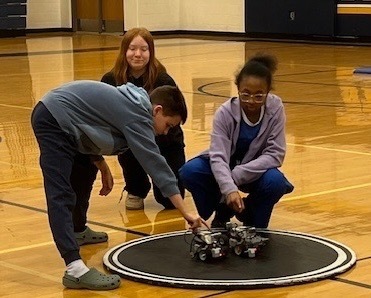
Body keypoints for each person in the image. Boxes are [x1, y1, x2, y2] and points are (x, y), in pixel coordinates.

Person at [31, 80, 207, 290]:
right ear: (157, 110)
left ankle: (77, 229)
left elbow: (89, 119)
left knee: (85, 173)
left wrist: (101, 165)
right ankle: (75, 269)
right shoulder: (139, 115)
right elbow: (156, 166)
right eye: (168, 125)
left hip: (65, 120)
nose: (166, 132)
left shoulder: (136, 105)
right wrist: (186, 212)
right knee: (60, 193)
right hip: (53, 120)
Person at [179, 53, 294, 229]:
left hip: (254, 171)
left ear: (268, 92)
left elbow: (275, 155)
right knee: (190, 171)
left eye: (259, 96)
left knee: (275, 182)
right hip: (223, 170)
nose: (251, 101)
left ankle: (249, 212)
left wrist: (236, 175)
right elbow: (218, 157)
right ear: (237, 88)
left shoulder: (276, 108)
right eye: (245, 94)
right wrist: (229, 188)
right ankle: (221, 208)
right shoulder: (224, 113)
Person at [101, 27, 185, 210]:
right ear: (124, 51)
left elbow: (176, 116)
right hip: (131, 143)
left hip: (166, 141)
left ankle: (167, 183)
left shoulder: (163, 80)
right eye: (132, 49)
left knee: (169, 202)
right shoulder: (110, 79)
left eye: (144, 49)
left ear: (151, 52)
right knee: (129, 143)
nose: (137, 54)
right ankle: (136, 188)